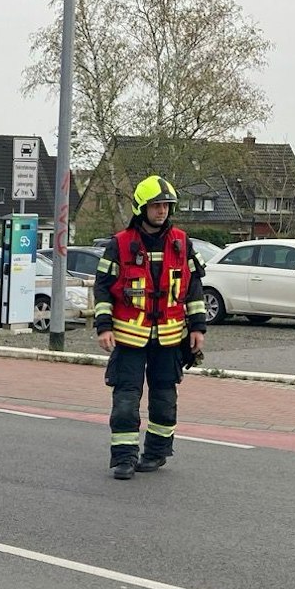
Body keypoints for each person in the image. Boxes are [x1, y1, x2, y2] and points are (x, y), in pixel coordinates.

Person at [93, 175, 208, 480]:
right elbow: (103, 287)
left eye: (166, 206)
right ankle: (124, 458)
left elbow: (194, 287)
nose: (162, 211)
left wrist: (198, 327)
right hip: (129, 337)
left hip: (170, 338)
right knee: (126, 401)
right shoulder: (119, 245)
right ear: (141, 208)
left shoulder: (182, 243)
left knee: (164, 399)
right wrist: (103, 326)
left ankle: (156, 453)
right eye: (156, 205)